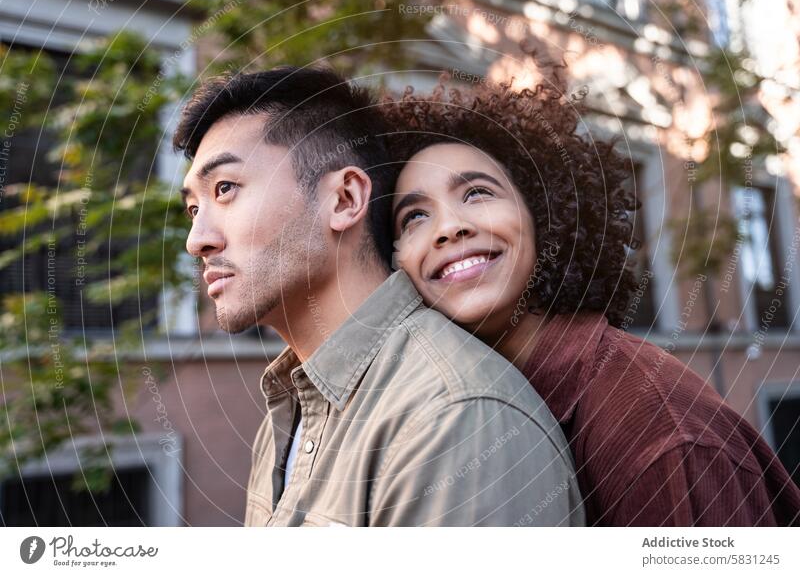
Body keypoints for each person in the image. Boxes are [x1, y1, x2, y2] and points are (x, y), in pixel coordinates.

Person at [173, 67, 585, 526]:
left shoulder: (454, 419)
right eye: (193, 208)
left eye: (225, 188)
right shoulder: (289, 410)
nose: (197, 240)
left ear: (345, 199)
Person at [381, 76, 800, 526]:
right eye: (415, 217)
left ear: (544, 215)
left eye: (478, 193)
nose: (449, 227)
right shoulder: (471, 408)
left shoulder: (661, 437)